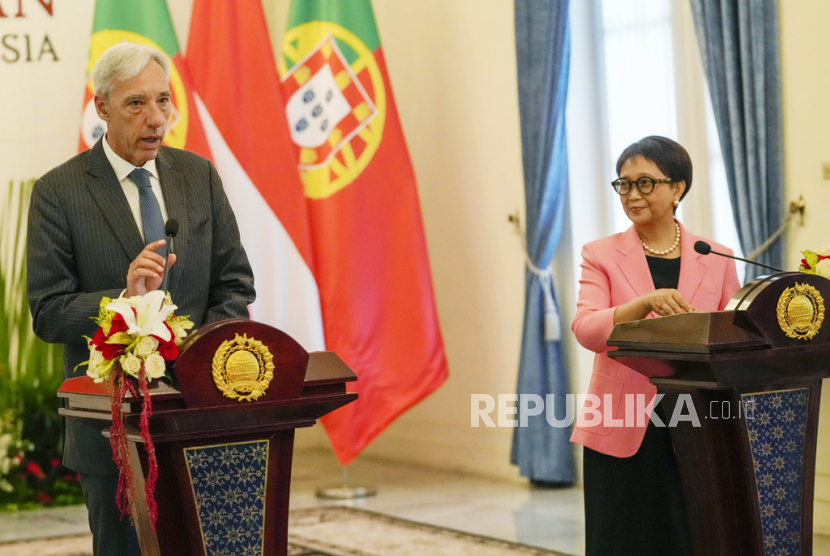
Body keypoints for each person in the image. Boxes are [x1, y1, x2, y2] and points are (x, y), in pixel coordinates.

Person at [26, 42, 255, 556]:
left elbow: (235, 284)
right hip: (114, 434)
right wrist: (123, 300)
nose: (156, 119)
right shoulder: (59, 192)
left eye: (164, 101)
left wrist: (198, 360)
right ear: (102, 107)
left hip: (201, 418)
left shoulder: (198, 176)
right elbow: (47, 311)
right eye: (136, 104)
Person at [570, 136, 741, 555]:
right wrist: (641, 304)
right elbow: (587, 330)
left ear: (677, 187)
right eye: (624, 184)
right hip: (622, 421)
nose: (632, 194)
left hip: (697, 419)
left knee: (689, 537)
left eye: (645, 182)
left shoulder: (715, 255)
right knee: (621, 540)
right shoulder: (601, 254)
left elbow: (735, 335)